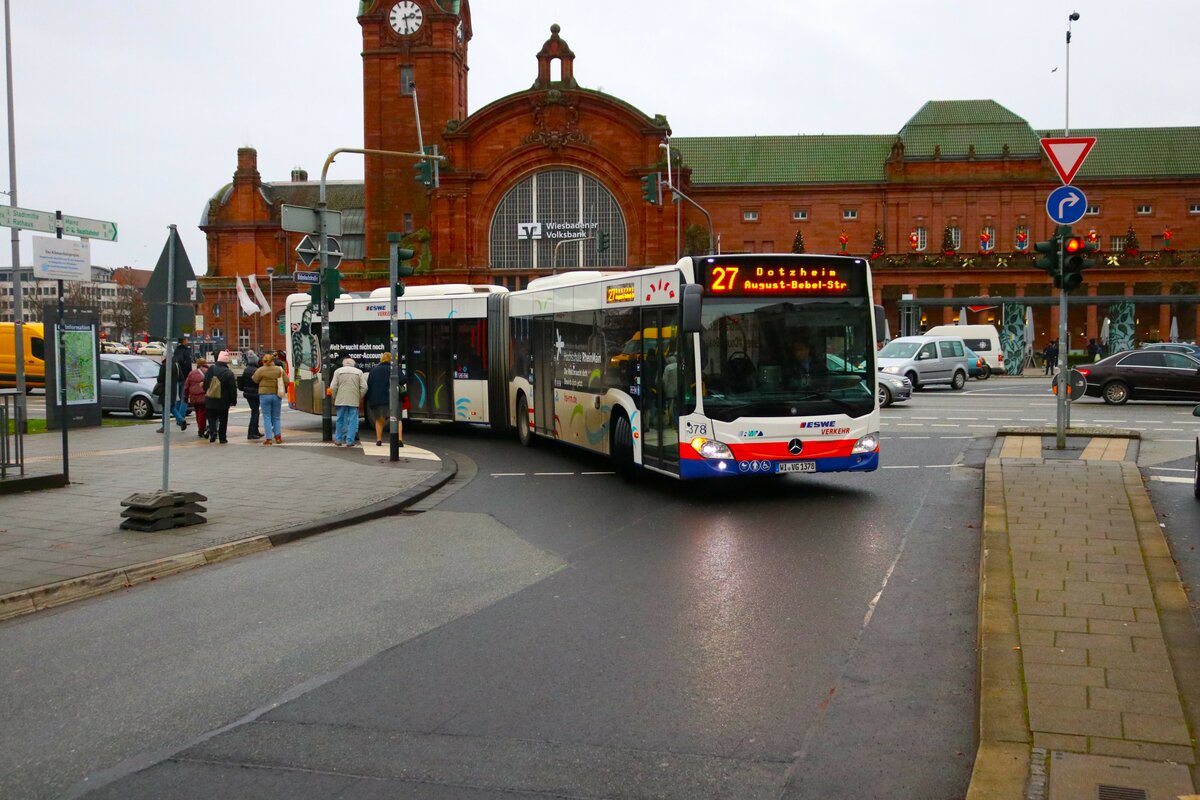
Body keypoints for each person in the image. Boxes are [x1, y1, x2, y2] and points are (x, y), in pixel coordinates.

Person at [365, 352, 405, 447]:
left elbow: (369, 384)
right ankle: (399, 439)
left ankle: (379, 440)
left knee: (379, 419)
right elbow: (403, 379)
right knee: (397, 419)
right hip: (394, 398)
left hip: (378, 399)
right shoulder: (394, 369)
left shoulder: (374, 370)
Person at [330, 356, 368, 447]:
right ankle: (350, 441)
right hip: (353, 399)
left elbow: (333, 387)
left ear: (343, 364)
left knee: (340, 420)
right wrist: (359, 396)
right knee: (353, 420)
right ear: (353, 364)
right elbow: (364, 387)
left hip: (340, 399)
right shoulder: (359, 372)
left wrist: (335, 396)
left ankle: (338, 440)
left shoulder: (338, 371)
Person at [202, 351, 238, 443]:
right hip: (223, 400)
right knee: (223, 419)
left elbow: (205, 383)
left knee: (211, 416)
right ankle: (222, 438)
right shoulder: (228, 373)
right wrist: (233, 401)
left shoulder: (211, 369)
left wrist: (207, 391)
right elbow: (232, 389)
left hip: (210, 398)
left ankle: (213, 431)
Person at [252, 352, 286, 445]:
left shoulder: (261, 370)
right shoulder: (279, 369)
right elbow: (286, 381)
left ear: (264, 361)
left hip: (264, 395)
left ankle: (269, 439)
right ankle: (278, 437)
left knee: (267, 417)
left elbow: (255, 379)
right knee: (276, 417)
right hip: (276, 395)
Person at [153, 358, 187, 432]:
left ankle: (165, 426)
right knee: (172, 407)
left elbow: (160, 379)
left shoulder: (164, 365)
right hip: (174, 389)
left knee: (165, 408)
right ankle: (181, 420)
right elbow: (181, 377)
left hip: (165, 389)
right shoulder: (176, 365)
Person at [183, 357, 209, 438]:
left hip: (193, 397)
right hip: (203, 396)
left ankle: (200, 428)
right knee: (202, 413)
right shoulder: (208, 372)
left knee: (197, 413)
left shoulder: (191, 373)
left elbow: (186, 386)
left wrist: (185, 397)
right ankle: (201, 429)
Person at [239, 352, 263, 440]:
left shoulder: (246, 369)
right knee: (255, 413)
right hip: (255, 393)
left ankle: (255, 431)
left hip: (248, 393)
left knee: (255, 412)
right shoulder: (256, 370)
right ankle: (252, 432)